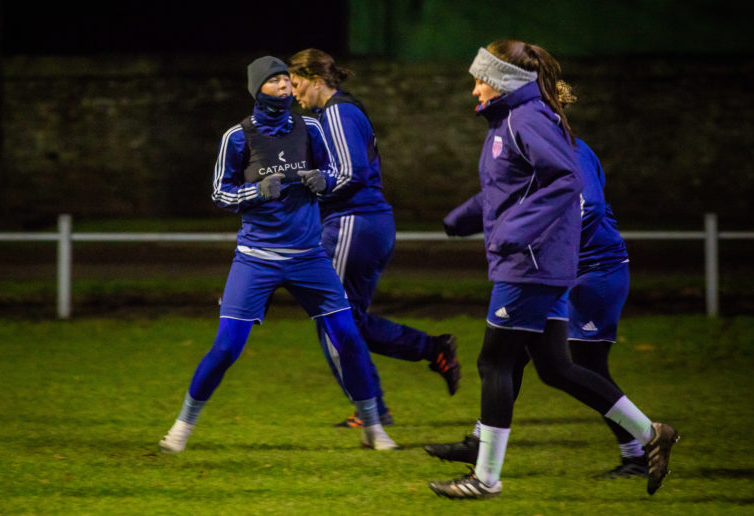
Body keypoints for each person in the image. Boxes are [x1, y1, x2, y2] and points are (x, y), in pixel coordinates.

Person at [425, 40, 679, 499]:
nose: (474, 90)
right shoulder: (510, 121)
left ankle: (485, 478)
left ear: (501, 81)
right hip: (536, 261)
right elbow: (512, 191)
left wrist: (514, 231)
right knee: (557, 367)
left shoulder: (526, 118)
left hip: (531, 263)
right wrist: (466, 217)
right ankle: (650, 433)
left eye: (479, 80)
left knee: (495, 362)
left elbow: (567, 179)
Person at [159, 55, 397, 452]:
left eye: (288, 81)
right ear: (257, 90)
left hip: (309, 257)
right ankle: (182, 426)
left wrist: (324, 180)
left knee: (348, 339)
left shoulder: (312, 128)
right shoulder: (237, 137)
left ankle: (373, 428)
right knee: (226, 348)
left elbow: (338, 172)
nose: (286, 88)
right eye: (275, 83)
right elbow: (220, 193)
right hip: (256, 258)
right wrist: (255, 191)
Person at [427, 134, 649, 478]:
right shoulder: (533, 147)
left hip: (594, 272)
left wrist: (549, 247)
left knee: (584, 365)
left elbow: (587, 207)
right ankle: (480, 443)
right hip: (557, 272)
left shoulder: (572, 149)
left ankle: (640, 449)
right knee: (511, 358)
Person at [287, 48, 461, 428]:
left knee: (332, 318)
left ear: (317, 82)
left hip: (354, 222)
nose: (294, 94)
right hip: (365, 224)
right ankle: (432, 350)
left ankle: (372, 410)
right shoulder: (338, 113)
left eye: (298, 85)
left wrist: (317, 184)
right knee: (348, 320)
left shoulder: (338, 112)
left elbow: (352, 171)